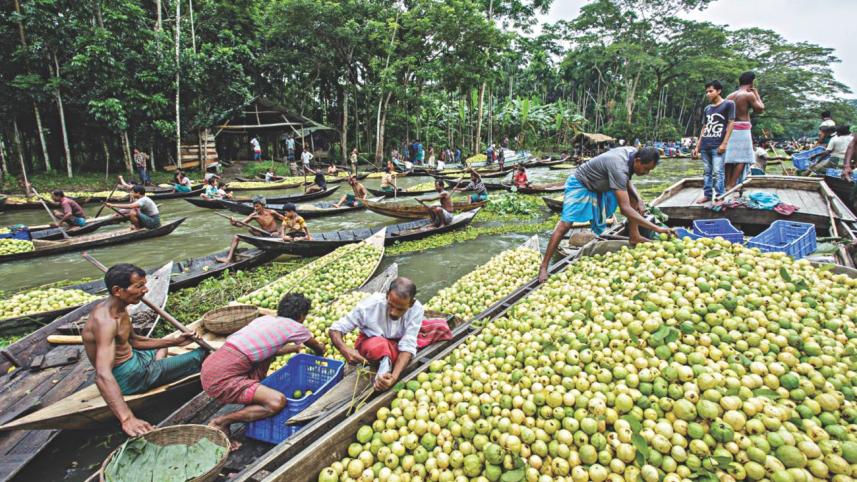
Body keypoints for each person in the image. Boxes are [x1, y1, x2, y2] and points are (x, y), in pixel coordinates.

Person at [82, 263, 204, 436]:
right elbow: (102, 374)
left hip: (135, 358)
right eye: (139, 286)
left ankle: (156, 372)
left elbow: (134, 341)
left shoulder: (119, 308)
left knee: (162, 349)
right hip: (130, 376)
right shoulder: (105, 321)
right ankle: (153, 374)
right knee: (202, 354)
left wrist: (175, 342)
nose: (145, 290)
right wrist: (127, 418)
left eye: (144, 285)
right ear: (117, 290)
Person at [201, 293, 323, 448]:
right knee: (276, 402)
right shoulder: (296, 327)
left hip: (211, 366)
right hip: (223, 378)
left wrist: (293, 349)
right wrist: (321, 353)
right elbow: (316, 347)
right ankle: (222, 421)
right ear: (301, 316)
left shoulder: (264, 320)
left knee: (267, 358)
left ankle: (252, 401)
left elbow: (265, 349)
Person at [537, 147, 673, 283]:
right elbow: (625, 209)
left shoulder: (633, 153)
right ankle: (544, 267)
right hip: (581, 184)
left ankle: (634, 236)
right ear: (638, 161)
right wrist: (657, 228)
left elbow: (627, 179)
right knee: (566, 224)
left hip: (603, 184)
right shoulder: (618, 166)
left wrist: (639, 199)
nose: (647, 173)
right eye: (646, 169)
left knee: (634, 200)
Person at [329, 277, 425, 391]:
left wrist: (394, 378)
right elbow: (335, 329)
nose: (393, 312)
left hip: (396, 344)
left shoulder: (416, 309)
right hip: (372, 346)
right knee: (380, 345)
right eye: (391, 305)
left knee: (435, 328)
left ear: (411, 303)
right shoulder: (370, 306)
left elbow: (408, 345)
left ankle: (389, 364)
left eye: (400, 309)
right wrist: (345, 349)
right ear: (387, 295)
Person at [691, 80, 735, 203]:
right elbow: (704, 128)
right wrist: (697, 147)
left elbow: (731, 123)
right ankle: (707, 194)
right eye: (707, 92)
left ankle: (720, 196)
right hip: (705, 145)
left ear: (719, 91)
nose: (708, 94)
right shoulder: (707, 109)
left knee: (718, 172)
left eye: (711, 91)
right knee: (707, 172)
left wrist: (724, 143)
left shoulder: (728, 104)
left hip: (718, 145)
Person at [724, 71, 765, 189]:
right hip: (742, 129)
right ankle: (732, 184)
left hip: (730, 128)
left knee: (730, 158)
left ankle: (727, 183)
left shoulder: (730, 96)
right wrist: (756, 94)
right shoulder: (749, 95)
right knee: (742, 158)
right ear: (752, 82)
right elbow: (760, 109)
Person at [216, 196, 283, 263]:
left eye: (257, 206)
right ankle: (228, 259)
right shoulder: (254, 215)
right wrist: (234, 223)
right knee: (239, 235)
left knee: (274, 234)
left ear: (263, 205)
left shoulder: (272, 212)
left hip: (275, 236)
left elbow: (285, 219)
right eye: (254, 206)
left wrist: (279, 231)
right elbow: (241, 224)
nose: (255, 208)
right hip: (264, 236)